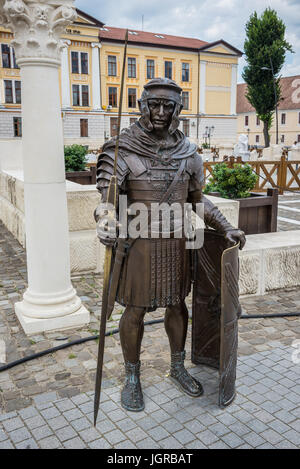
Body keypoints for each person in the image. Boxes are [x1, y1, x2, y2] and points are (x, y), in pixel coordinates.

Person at [94, 78, 245, 412]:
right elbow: (106, 201)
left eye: (168, 106)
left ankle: (177, 367)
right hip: (139, 246)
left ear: (178, 109)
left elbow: (196, 201)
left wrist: (224, 226)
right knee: (134, 310)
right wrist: (105, 221)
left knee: (177, 305)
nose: (161, 112)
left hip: (178, 243)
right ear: (143, 106)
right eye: (154, 105)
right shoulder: (121, 149)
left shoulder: (188, 154)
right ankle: (132, 377)